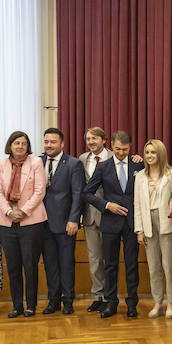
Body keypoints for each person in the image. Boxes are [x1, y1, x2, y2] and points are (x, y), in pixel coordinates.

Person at [83, 132, 142, 319]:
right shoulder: (103, 166)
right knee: (110, 265)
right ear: (112, 146)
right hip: (109, 223)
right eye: (117, 149)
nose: (121, 153)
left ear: (130, 147)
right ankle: (111, 303)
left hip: (132, 222)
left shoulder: (139, 164)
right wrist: (107, 205)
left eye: (125, 149)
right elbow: (87, 193)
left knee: (132, 264)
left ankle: (132, 303)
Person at [0, 131, 47, 318]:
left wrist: (23, 211)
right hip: (6, 223)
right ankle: (17, 305)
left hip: (31, 221)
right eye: (16, 143)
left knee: (30, 265)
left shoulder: (36, 163)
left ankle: (31, 305)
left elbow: (39, 191)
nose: (20, 146)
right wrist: (9, 212)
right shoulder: (1, 165)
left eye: (24, 143)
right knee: (13, 266)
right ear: (10, 145)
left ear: (28, 146)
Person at [39, 128, 85, 315]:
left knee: (66, 263)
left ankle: (68, 301)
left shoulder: (73, 164)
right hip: (42, 223)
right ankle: (53, 301)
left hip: (66, 223)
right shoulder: (37, 162)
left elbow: (77, 194)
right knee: (50, 264)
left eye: (53, 142)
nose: (49, 145)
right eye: (46, 142)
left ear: (62, 144)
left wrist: (74, 219)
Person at [135, 138, 172, 319]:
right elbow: (137, 204)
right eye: (147, 153)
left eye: (153, 152)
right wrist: (139, 230)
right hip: (148, 223)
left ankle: (171, 302)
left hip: (167, 222)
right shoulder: (139, 177)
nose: (149, 156)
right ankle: (157, 302)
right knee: (153, 266)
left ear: (160, 153)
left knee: (169, 265)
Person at [78, 126, 110, 312]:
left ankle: (110, 296)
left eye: (94, 138)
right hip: (89, 216)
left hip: (109, 215)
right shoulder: (82, 159)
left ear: (104, 140)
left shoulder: (115, 157)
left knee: (109, 259)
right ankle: (98, 295)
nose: (91, 142)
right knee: (95, 259)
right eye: (88, 139)